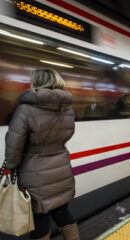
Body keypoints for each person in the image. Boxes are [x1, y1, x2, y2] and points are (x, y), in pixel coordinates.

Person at [4, 69, 79, 240]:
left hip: (34, 174)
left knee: (39, 220)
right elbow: (66, 135)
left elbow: (14, 147)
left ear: (36, 83)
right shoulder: (67, 109)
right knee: (62, 212)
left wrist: (10, 166)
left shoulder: (25, 110)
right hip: (61, 169)